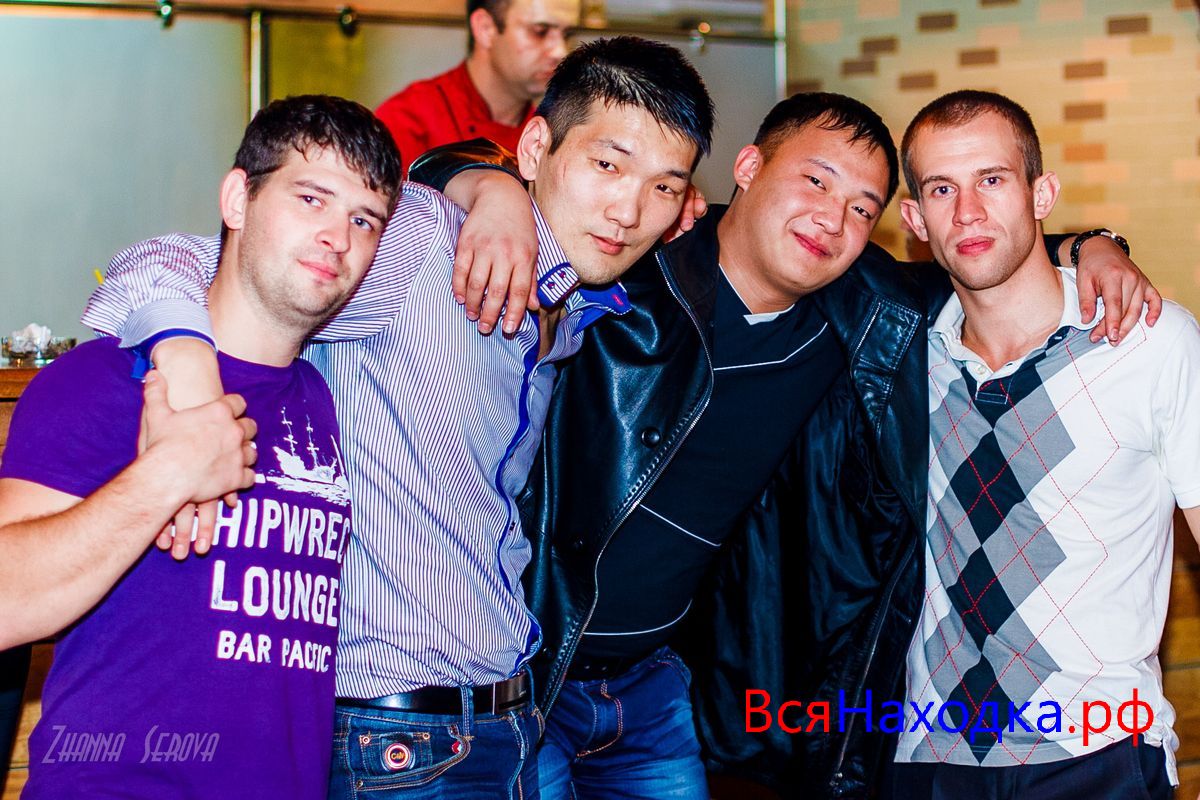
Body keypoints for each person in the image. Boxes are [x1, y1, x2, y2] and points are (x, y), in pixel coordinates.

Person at [409, 93, 1161, 799]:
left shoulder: (864, 310)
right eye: (816, 181)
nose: (832, 219)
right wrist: (489, 185)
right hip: (523, 673)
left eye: (861, 207)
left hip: (657, 683)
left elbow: (985, 257)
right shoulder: (637, 261)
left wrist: (1093, 246)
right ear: (748, 167)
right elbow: (448, 182)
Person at [81, 36, 715, 799]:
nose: (629, 210)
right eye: (608, 165)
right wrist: (187, 372)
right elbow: (167, 260)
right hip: (394, 737)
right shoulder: (427, 244)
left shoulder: (576, 311)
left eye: (664, 187)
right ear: (536, 147)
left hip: (507, 721)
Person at [0, 94, 402, 797]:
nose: (338, 236)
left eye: (363, 219)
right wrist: (170, 472)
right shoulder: (108, 379)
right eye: (311, 198)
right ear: (238, 199)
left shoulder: (325, 395)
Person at [887, 89, 1200, 800]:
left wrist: (1096, 243)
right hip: (932, 754)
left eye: (992, 180)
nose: (968, 212)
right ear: (915, 219)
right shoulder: (902, 356)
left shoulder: (1149, 342)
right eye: (942, 188)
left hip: (1100, 753)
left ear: (1041, 194)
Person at [375, 0, 579, 175]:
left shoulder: (555, 132)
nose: (560, 52)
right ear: (485, 29)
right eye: (540, 32)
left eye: (567, 35)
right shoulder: (406, 121)